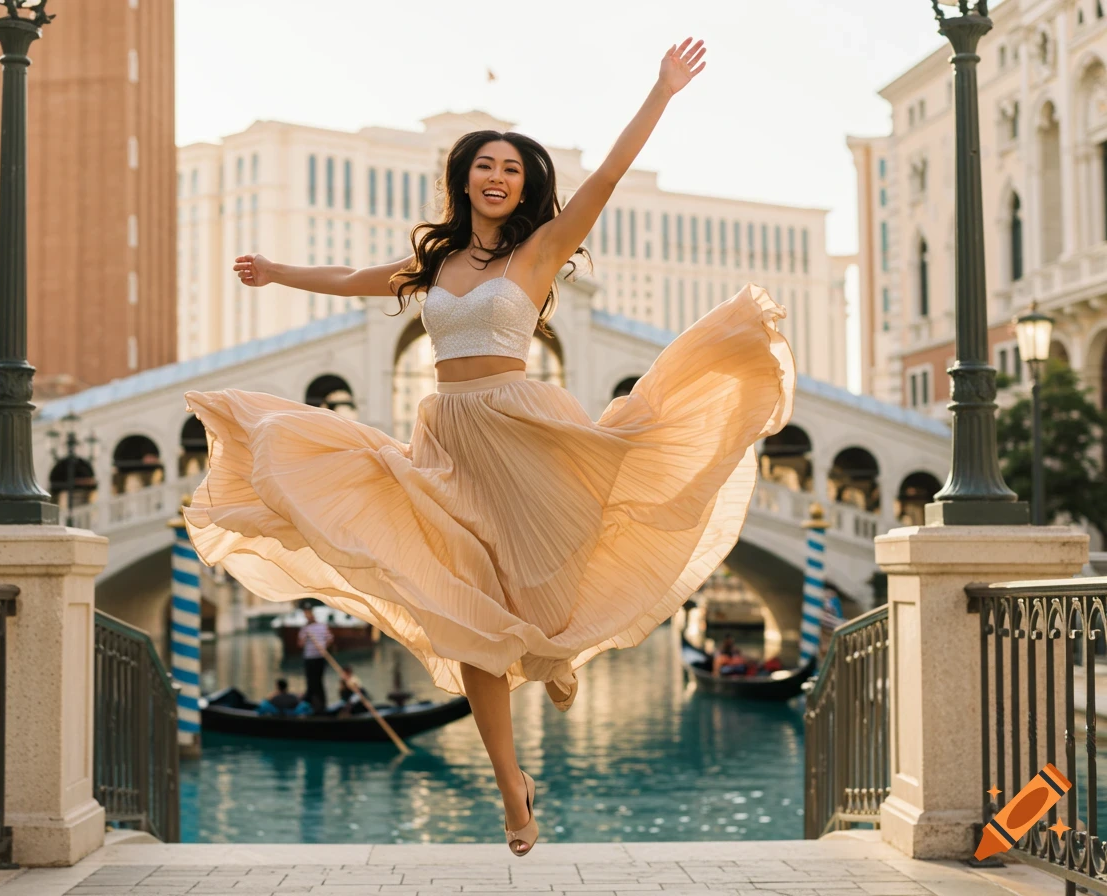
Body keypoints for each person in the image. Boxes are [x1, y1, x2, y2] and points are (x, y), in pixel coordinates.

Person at [184, 38, 794, 857]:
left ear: (524, 183)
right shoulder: (432, 263)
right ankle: (513, 784)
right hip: (448, 436)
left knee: (552, 565)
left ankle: (551, 649)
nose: (499, 176)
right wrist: (274, 272)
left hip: (521, 430)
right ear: (464, 177)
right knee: (465, 612)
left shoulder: (538, 251)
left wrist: (662, 91)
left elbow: (608, 178)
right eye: (486, 165)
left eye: (512, 167)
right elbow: (350, 277)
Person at [298, 607, 334, 712]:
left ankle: (318, 705)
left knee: (314, 682)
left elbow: (300, 644)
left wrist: (323, 648)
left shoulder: (310, 628)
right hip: (315, 658)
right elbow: (330, 639)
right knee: (315, 682)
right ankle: (317, 705)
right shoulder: (309, 628)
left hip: (314, 658)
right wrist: (323, 648)